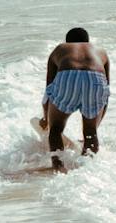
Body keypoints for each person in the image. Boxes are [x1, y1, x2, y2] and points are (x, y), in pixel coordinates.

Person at [43, 27, 110, 172]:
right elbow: (106, 93)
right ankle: (87, 169)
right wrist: (95, 125)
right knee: (90, 132)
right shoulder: (100, 51)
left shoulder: (60, 49)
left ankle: (59, 167)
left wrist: (45, 119)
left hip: (68, 77)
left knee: (56, 129)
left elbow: (49, 88)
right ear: (88, 42)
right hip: (96, 79)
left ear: (68, 42)